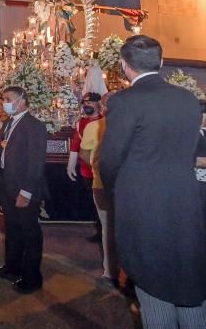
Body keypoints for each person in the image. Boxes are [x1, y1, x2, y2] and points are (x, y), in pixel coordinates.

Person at [99, 35, 206, 326]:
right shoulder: (187, 98)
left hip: (144, 206)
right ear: (161, 61)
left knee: (153, 279)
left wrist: (116, 190)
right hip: (186, 201)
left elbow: (109, 159)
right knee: (188, 275)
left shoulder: (125, 101)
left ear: (123, 65)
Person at [0, 86, 48, 294]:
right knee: (12, 229)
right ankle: (12, 267)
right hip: (6, 185)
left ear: (22, 100)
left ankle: (32, 277)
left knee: (29, 232)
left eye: (8, 99)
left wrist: (27, 191)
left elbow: (36, 162)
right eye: (3, 99)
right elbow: (0, 156)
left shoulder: (35, 126)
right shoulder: (7, 124)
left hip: (24, 188)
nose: (4, 103)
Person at [80, 94, 116, 283]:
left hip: (102, 184)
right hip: (123, 186)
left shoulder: (95, 126)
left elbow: (85, 154)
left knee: (108, 228)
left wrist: (96, 168)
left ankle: (110, 270)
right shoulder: (134, 125)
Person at [67, 92, 103, 242]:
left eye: (90, 102)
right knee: (93, 202)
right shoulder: (81, 122)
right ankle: (99, 229)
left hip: (100, 169)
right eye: (84, 103)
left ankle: (104, 231)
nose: (86, 105)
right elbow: (76, 143)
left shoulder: (104, 121)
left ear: (98, 104)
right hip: (86, 170)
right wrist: (71, 164)